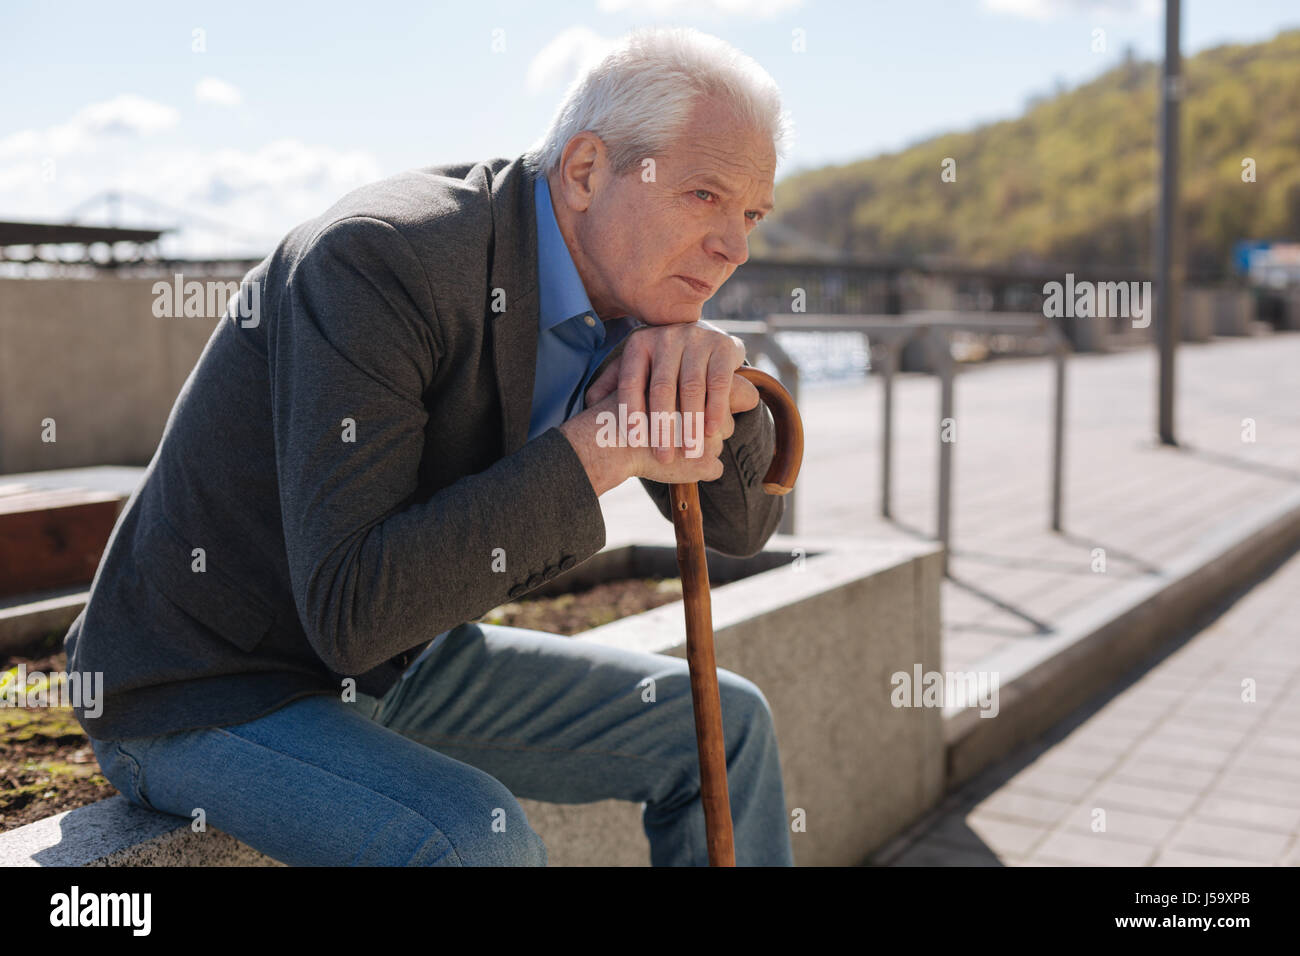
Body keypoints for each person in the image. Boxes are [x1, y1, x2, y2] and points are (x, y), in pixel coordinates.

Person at [65, 25, 795, 866]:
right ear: (588, 170)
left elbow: (737, 530)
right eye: (703, 196)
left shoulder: (634, 295)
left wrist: (710, 377)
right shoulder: (379, 260)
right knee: (472, 841)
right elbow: (354, 612)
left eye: (750, 214)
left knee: (728, 726)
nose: (734, 246)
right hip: (205, 685)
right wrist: (605, 446)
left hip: (404, 663)